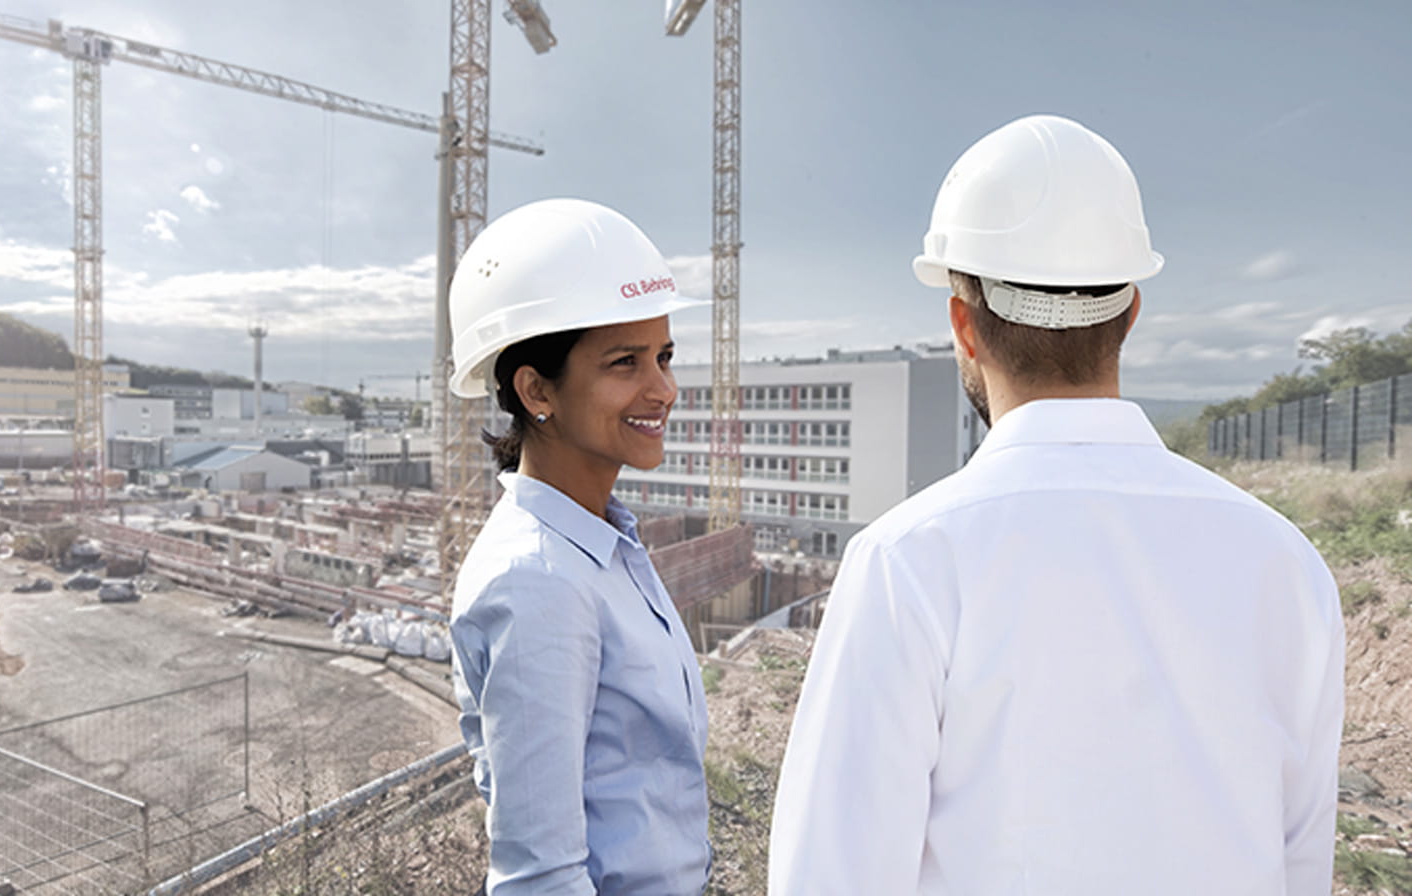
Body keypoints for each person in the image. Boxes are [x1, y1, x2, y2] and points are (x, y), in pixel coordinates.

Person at [768, 115, 1344, 894]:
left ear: (962, 324)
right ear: (1130, 312)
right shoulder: (1285, 561)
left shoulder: (911, 560)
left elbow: (833, 875)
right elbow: (1302, 860)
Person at [446, 198, 713, 895]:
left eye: (664, 357)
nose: (664, 390)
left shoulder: (600, 546)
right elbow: (541, 878)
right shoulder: (538, 581)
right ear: (537, 389)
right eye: (625, 363)